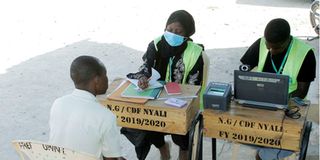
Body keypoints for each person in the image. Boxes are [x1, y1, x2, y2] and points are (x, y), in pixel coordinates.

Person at [121, 10, 205, 160]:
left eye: (178, 31)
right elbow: (146, 67)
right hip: (155, 96)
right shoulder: (156, 44)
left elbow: (194, 85)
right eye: (169, 29)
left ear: (187, 34)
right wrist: (142, 78)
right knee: (149, 124)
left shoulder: (195, 53)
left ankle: (183, 154)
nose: (172, 34)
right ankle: (163, 150)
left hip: (181, 100)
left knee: (181, 132)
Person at [240, 18, 316, 160]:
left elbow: (301, 92)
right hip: (260, 107)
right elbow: (244, 69)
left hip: (288, 110)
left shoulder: (305, 54)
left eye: (277, 48)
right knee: (237, 129)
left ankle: (264, 153)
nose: (272, 52)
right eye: (269, 47)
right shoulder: (262, 43)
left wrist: (277, 101)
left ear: (287, 40)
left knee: (275, 143)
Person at [49, 55, 125, 160]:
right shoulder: (105, 116)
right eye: (105, 75)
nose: (107, 79)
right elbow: (111, 158)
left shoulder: (58, 103)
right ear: (97, 80)